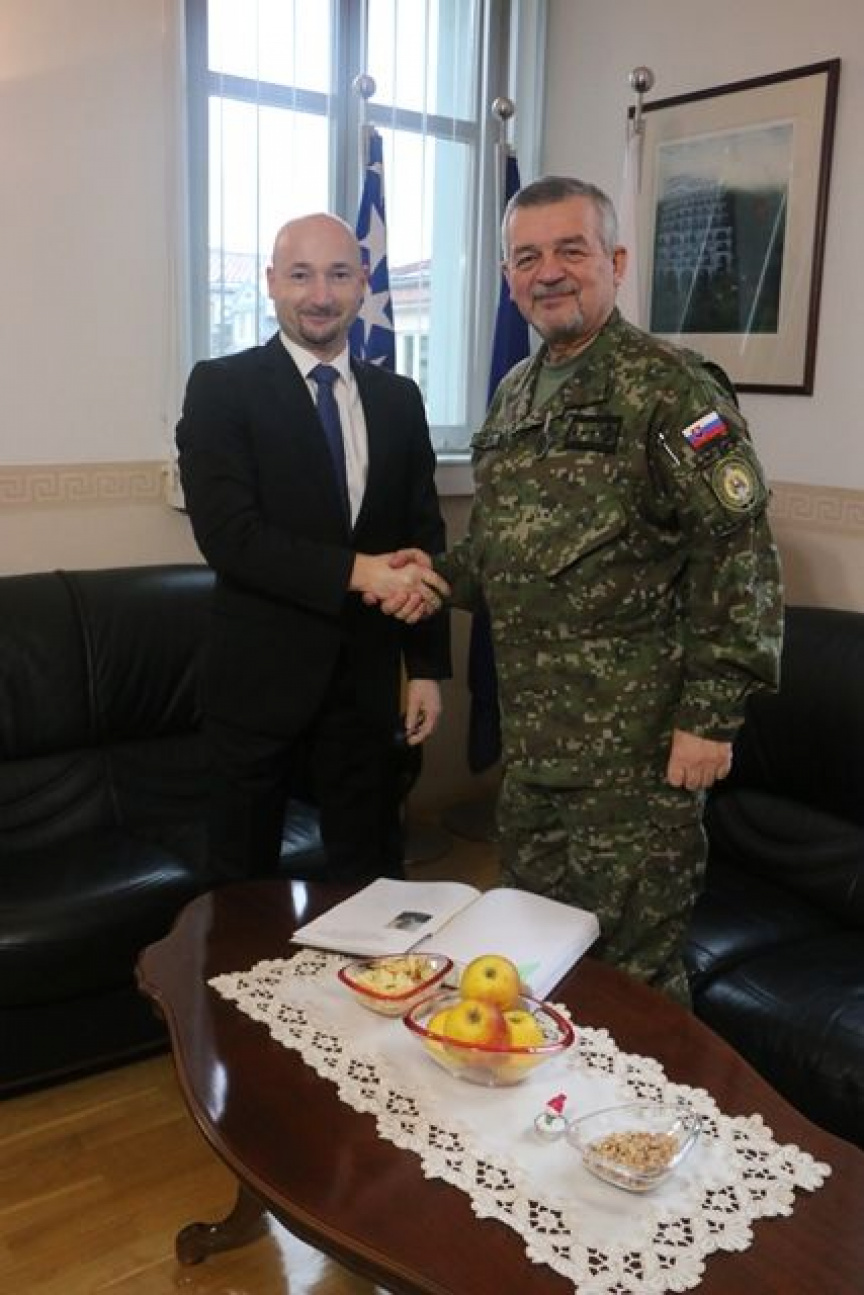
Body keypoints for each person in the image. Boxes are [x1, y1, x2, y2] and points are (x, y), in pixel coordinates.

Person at [402, 175, 783, 1002]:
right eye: (527, 257)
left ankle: (654, 1097)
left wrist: (710, 718)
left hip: (635, 765)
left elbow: (740, 554)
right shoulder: (516, 393)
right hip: (536, 754)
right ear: (508, 277)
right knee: (534, 968)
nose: (548, 272)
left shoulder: (672, 389)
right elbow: (503, 550)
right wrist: (429, 579)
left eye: (570, 250)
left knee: (633, 982)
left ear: (615, 261)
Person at [176, 212, 450, 885]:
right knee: (241, 898)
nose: (321, 295)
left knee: (372, 888)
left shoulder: (399, 399)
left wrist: (424, 667)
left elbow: (423, 538)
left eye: (338, 274)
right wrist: (361, 573)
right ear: (272, 282)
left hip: (364, 692)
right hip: (256, 693)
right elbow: (230, 537)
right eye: (301, 275)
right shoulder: (221, 388)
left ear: (363, 283)